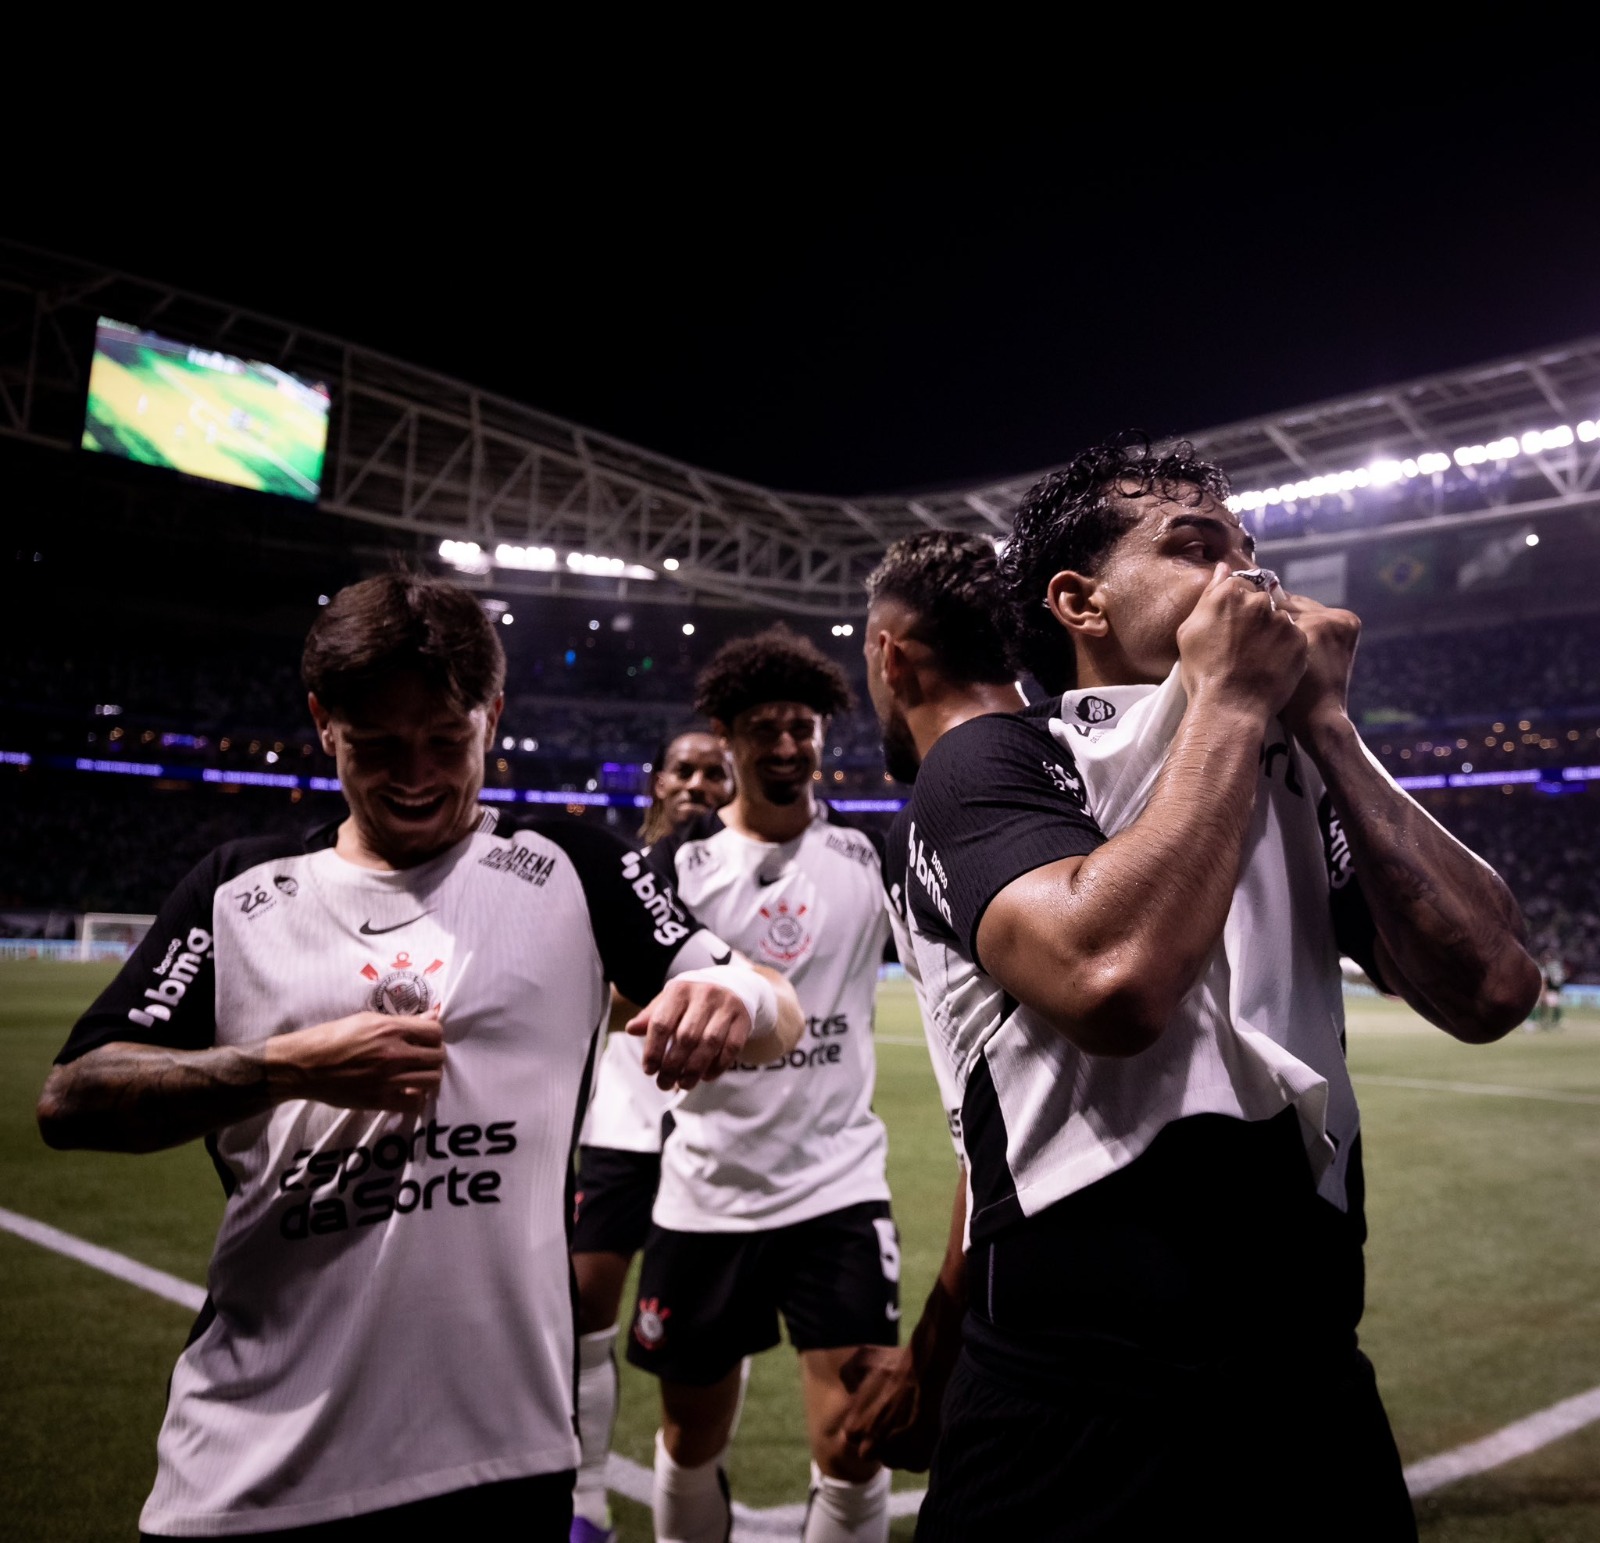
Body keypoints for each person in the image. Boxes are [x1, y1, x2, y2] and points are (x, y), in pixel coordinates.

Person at [36, 574, 802, 1542]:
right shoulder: (238, 890)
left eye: (448, 741)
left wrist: (725, 993)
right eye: (378, 745)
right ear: (322, 721)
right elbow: (74, 1096)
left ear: (495, 716)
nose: (415, 775)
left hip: (501, 1452)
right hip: (251, 1462)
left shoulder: (571, 866)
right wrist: (286, 1066)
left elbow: (779, 1006)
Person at [897, 439, 1541, 1540]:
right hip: (1070, 1409)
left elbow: (1490, 986)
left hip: (1309, 1387)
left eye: (1251, 550)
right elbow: (1111, 983)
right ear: (1078, 601)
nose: (1250, 578)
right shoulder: (1000, 762)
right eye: (1196, 548)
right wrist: (1237, 704)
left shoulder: (1297, 773)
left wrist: (1328, 724)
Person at [625, 626, 898, 1543]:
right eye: (764, 729)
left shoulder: (869, 859)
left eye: (803, 727)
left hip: (837, 1184)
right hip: (708, 1187)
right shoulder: (680, 866)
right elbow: (626, 990)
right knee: (692, 1434)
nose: (786, 746)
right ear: (727, 736)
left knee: (858, 1438)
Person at [842, 530, 1026, 1471]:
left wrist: (935, 1348)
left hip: (1051, 1320)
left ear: (890, 654)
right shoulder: (1095, 757)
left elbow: (1000, 1127)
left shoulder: (953, 790)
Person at [570, 728, 735, 1543]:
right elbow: (591, 997)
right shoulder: (608, 874)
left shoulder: (738, 870)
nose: (699, 783)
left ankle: (703, 1482)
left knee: (700, 1344)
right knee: (585, 1312)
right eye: (686, 769)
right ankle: (589, 1498)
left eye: (715, 772)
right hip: (621, 1126)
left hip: (711, 1135)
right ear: (657, 780)